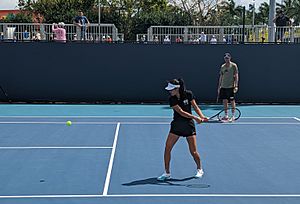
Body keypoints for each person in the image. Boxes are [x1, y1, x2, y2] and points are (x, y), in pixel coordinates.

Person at [157, 79, 208, 181]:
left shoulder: (188, 94)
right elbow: (181, 112)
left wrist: (202, 116)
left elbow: (195, 107)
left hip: (188, 126)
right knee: (167, 148)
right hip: (176, 125)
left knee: (193, 151)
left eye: (171, 89)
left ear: (177, 88)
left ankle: (199, 169)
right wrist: (196, 118)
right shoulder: (172, 99)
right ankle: (167, 173)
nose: (169, 91)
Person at [217, 53, 239, 121]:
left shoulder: (234, 66)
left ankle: (233, 115)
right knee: (225, 101)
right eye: (225, 58)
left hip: (231, 87)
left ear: (230, 58)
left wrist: (236, 86)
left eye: (227, 58)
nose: (226, 59)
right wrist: (219, 86)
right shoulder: (222, 66)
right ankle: (226, 115)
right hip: (223, 86)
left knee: (232, 101)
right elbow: (221, 76)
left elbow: (236, 76)